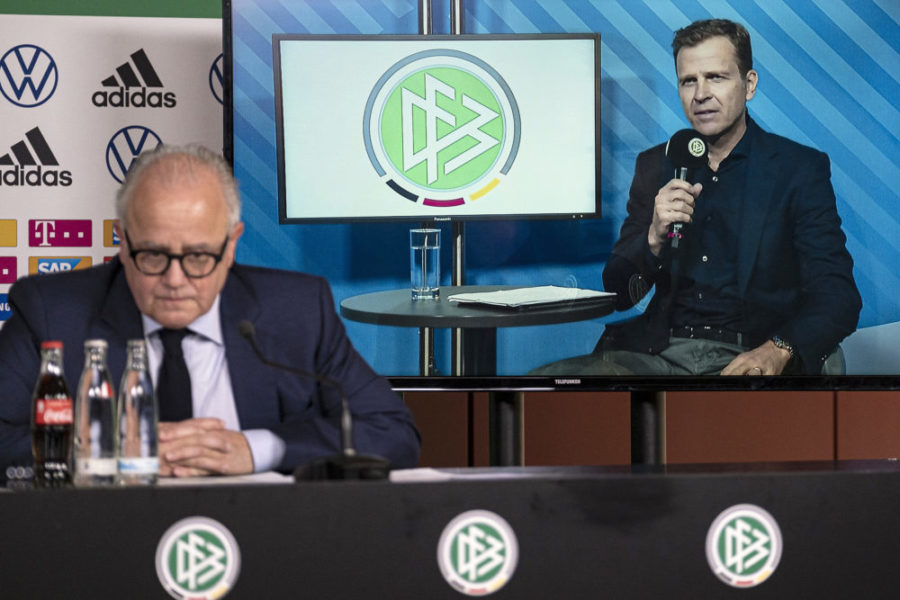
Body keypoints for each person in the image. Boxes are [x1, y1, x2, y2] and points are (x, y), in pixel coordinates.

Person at [0, 144, 420, 478]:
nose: (175, 279)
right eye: (153, 255)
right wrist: (110, 448)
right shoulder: (51, 312)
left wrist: (258, 449)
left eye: (199, 256)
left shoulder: (297, 312)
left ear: (232, 243)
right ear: (123, 243)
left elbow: (391, 433)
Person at [539, 18, 861, 376]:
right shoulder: (654, 166)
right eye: (688, 81)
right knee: (545, 387)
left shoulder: (797, 169)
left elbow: (838, 295)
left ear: (749, 84)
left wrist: (777, 350)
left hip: (750, 351)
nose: (701, 94)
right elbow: (619, 293)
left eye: (716, 77)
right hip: (658, 354)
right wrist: (653, 239)